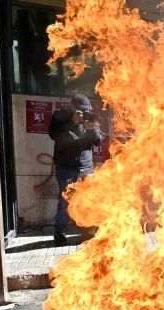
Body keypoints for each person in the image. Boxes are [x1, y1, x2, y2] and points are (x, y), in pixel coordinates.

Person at [49, 94, 103, 246]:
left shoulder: (90, 118)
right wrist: (73, 122)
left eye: (86, 110)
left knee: (88, 202)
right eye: (81, 110)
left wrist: (91, 129)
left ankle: (87, 233)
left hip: (86, 168)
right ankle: (60, 234)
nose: (83, 113)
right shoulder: (59, 117)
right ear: (72, 107)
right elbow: (54, 135)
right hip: (66, 168)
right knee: (64, 203)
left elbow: (98, 140)